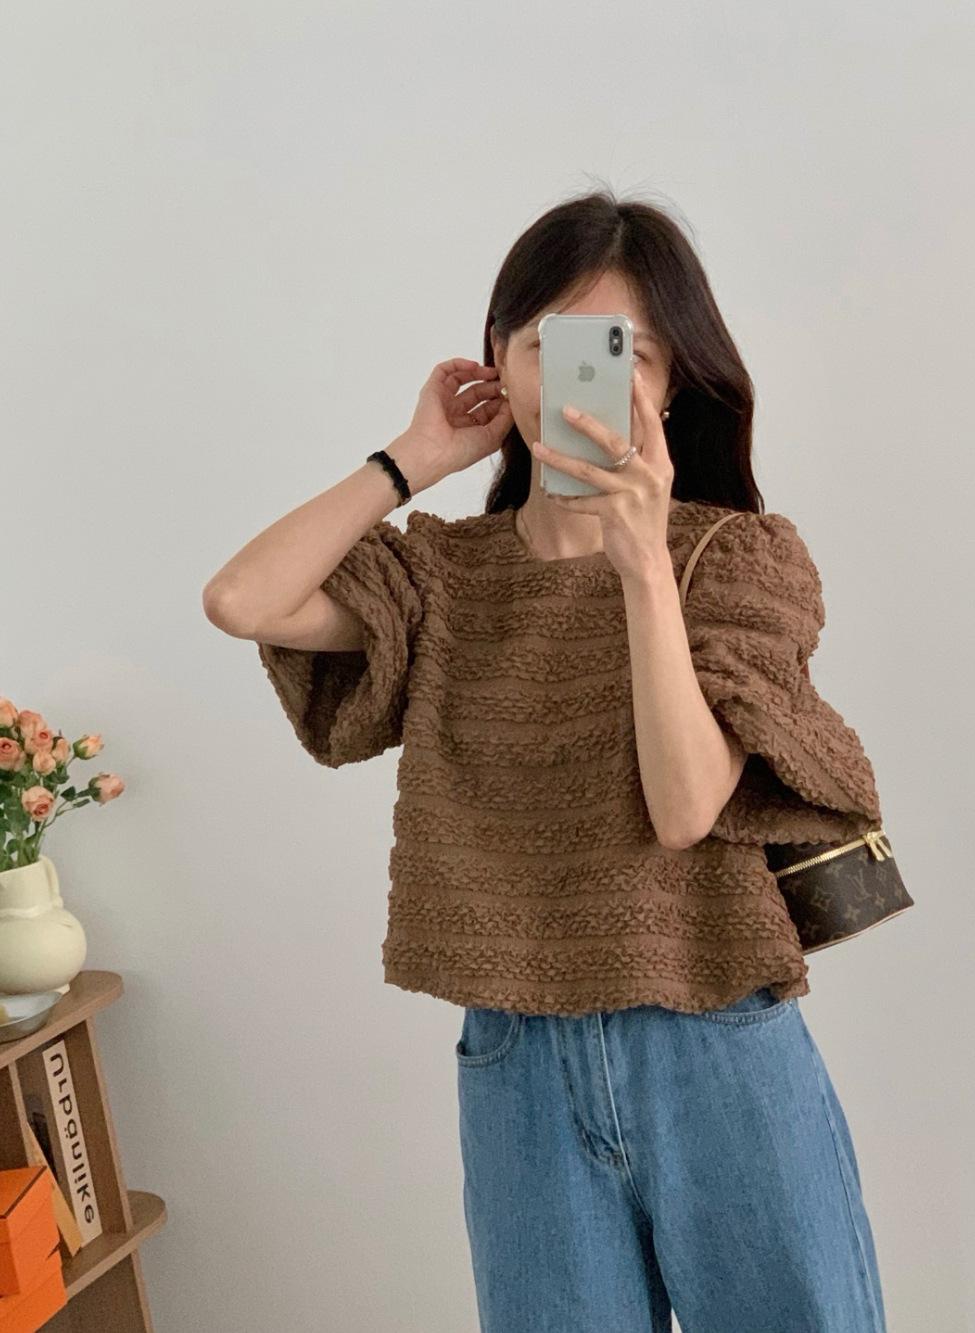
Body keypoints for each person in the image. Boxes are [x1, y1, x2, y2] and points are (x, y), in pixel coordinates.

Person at [203, 189, 889, 1332]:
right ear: (500, 359)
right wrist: (413, 457)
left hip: (713, 1047)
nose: (585, 380)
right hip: (519, 1067)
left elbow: (685, 808)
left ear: (670, 384)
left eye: (629, 352)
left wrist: (642, 566)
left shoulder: (735, 559)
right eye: (551, 345)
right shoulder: (442, 577)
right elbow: (241, 599)